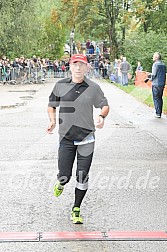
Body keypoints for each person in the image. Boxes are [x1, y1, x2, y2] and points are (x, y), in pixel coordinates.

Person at [46, 54, 109, 224]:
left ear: (87, 67)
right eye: (75, 64)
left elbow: (104, 104)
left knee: (82, 175)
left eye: (82, 64)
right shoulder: (60, 86)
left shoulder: (93, 87)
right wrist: (52, 121)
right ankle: (60, 182)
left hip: (87, 138)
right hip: (66, 138)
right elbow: (51, 105)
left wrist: (102, 116)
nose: (78, 68)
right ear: (70, 66)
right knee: (65, 175)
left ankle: (76, 208)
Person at [149, 52, 166, 118]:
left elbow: (153, 74)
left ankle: (157, 113)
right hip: (162, 84)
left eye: (153, 56)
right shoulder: (163, 65)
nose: (152, 57)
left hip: (156, 84)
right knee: (160, 98)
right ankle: (160, 112)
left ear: (156, 58)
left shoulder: (155, 64)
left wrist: (150, 79)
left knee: (156, 98)